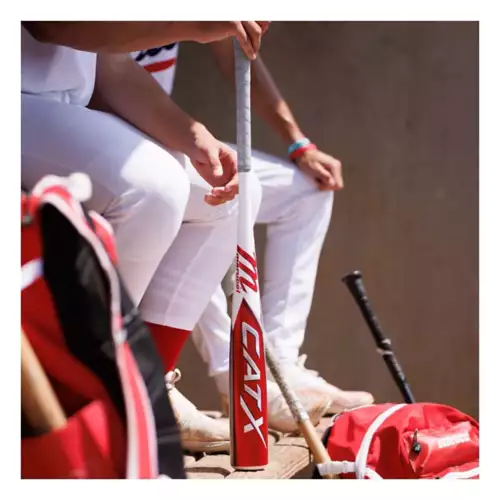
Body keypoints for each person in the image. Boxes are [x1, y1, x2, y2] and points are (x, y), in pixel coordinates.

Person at [21, 21, 269, 454]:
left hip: (60, 110)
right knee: (153, 188)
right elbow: (54, 25)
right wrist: (194, 21)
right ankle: (87, 392)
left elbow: (111, 68)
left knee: (234, 194)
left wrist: (194, 137)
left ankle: (147, 386)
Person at [133, 37, 375, 421]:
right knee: (207, 200)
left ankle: (281, 365)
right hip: (121, 136)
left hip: (163, 133)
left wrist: (299, 144)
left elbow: (236, 53)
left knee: (305, 193)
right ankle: (237, 377)